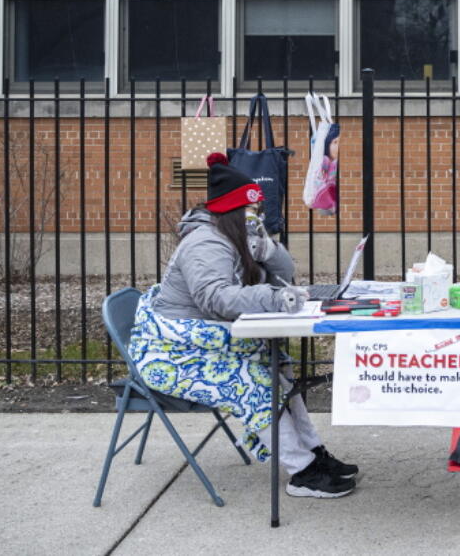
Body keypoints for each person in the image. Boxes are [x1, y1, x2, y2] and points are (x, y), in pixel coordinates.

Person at [129, 152, 359, 499]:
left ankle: (314, 454)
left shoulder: (234, 236)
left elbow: (284, 275)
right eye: (250, 213)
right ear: (232, 212)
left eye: (258, 213)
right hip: (172, 355)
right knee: (255, 380)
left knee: (277, 373)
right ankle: (302, 471)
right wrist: (274, 298)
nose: (256, 219)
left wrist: (268, 248)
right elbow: (216, 299)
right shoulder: (205, 243)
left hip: (205, 344)